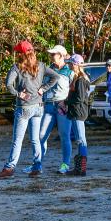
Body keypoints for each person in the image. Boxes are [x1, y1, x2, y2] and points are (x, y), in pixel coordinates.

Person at [0, 40, 59, 179]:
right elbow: (56, 76)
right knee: (35, 139)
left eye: (18, 52)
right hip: (38, 107)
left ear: (20, 54)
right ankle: (37, 166)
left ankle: (10, 168)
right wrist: (43, 89)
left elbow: (8, 85)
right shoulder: (41, 65)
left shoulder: (17, 67)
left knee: (17, 140)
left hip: (24, 107)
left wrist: (19, 94)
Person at [23, 44, 74, 175]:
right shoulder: (49, 68)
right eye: (51, 54)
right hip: (49, 106)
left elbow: (75, 90)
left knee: (64, 136)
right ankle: (37, 164)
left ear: (61, 56)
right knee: (41, 136)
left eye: (53, 54)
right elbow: (41, 84)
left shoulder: (70, 71)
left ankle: (65, 164)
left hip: (63, 107)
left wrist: (67, 102)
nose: (51, 56)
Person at [65, 54, 90, 176]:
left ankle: (81, 169)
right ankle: (80, 168)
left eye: (70, 63)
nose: (69, 65)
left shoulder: (80, 80)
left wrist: (66, 102)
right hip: (77, 111)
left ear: (76, 65)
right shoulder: (79, 78)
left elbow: (79, 98)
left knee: (81, 140)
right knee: (81, 139)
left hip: (78, 112)